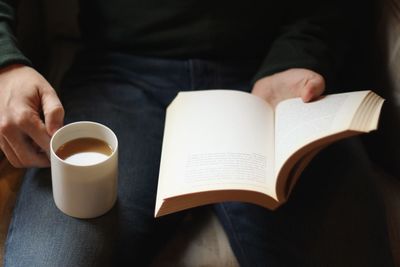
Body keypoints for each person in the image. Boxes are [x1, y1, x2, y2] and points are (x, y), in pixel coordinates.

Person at [0, 0, 394, 266]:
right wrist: (5, 65)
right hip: (118, 72)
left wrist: (301, 55)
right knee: (50, 258)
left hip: (272, 75)